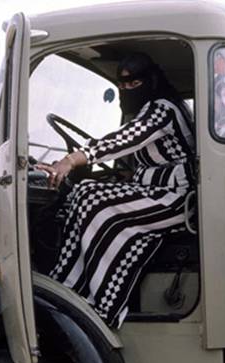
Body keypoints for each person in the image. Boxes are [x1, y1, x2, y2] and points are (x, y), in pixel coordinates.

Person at [36, 53, 195, 329]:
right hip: (165, 193)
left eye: (134, 84)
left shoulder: (162, 108)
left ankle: (91, 302)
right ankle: (71, 286)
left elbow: (128, 137)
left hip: (176, 200)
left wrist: (72, 159)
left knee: (89, 196)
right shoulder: (158, 106)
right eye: (121, 86)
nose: (126, 91)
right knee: (88, 191)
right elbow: (155, 157)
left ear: (152, 81)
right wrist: (126, 175)